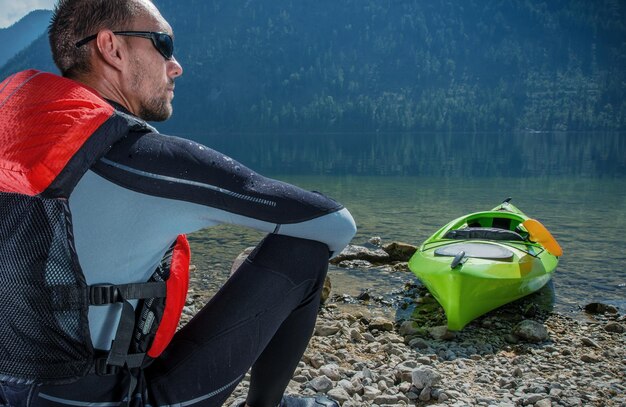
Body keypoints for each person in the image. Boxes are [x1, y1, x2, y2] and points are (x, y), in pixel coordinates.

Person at [0, 0, 356, 406]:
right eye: (163, 44)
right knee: (302, 253)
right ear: (110, 47)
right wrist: (252, 265)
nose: (176, 65)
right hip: (102, 400)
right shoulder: (141, 158)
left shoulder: (14, 137)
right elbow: (336, 223)